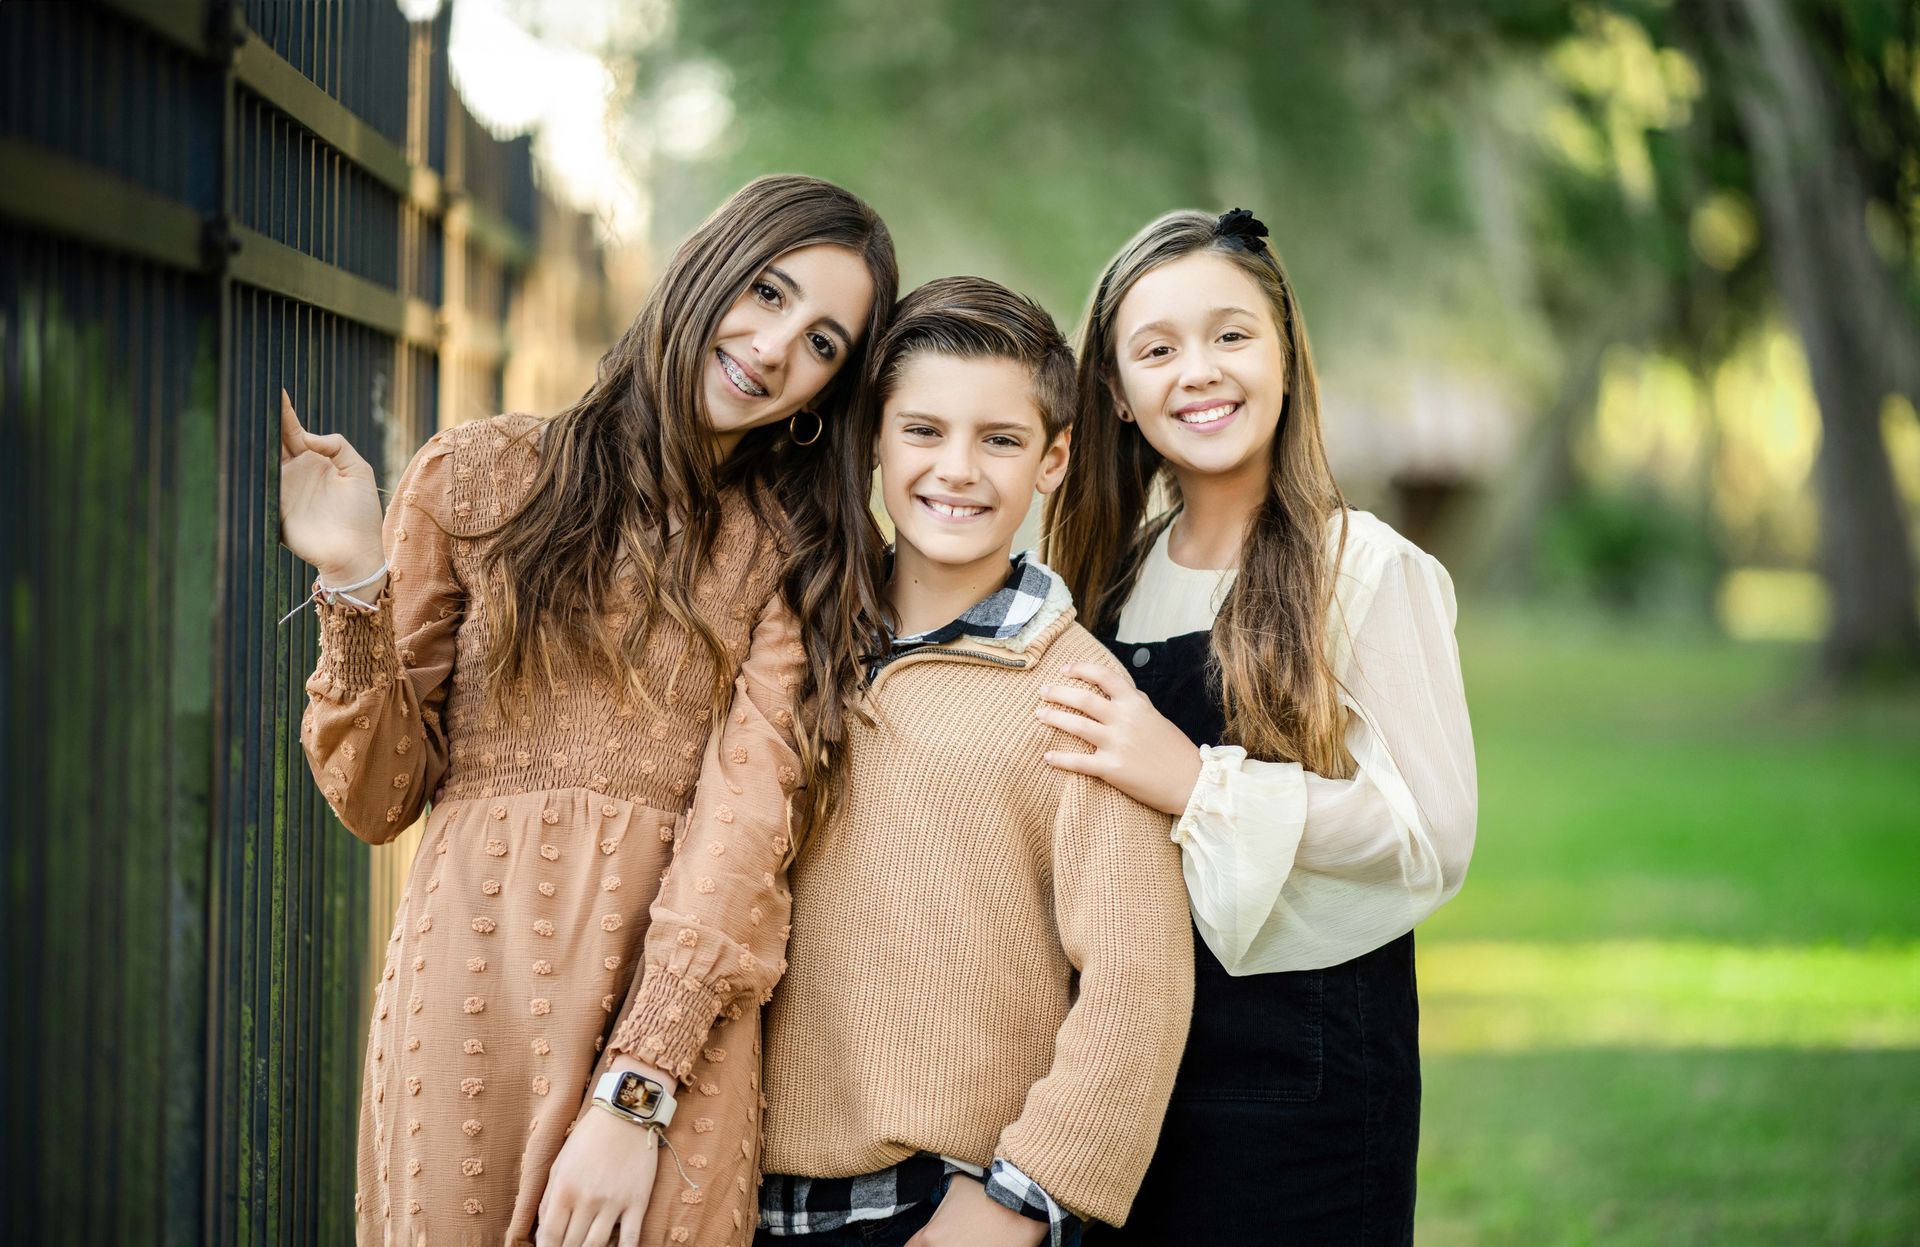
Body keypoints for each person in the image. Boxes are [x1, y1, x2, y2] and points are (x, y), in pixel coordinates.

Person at [277, 174, 898, 1247]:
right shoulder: (475, 476)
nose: (775, 344)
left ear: (825, 395)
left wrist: (636, 1088)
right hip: (464, 1012)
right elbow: (377, 797)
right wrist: (353, 579)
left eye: (825, 342)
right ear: (709, 271)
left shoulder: (798, 556)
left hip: (677, 1034)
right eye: (766, 291)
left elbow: (746, 831)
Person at [1037, 208, 1477, 1244]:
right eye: (1157, 348)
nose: (1200, 370)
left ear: (1286, 352)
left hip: (1306, 1106)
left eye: (1231, 334)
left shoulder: (1364, 569)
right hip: (1128, 1094)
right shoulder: (1107, 584)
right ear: (1116, 391)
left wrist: (1196, 781)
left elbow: (1431, 831)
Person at [752, 277, 1194, 1247]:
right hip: (740, 1186)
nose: (957, 468)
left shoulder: (1075, 689)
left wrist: (1017, 1198)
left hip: (943, 1204)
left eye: (999, 439)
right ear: (872, 435)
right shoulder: (790, 637)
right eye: (923, 431)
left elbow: (1139, 978)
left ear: (1053, 457)